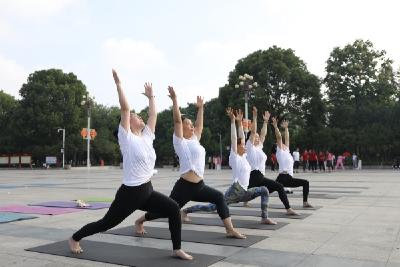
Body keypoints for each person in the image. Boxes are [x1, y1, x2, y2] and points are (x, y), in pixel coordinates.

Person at [68, 70, 193, 260]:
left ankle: (177, 248)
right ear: (127, 122)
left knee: (173, 208)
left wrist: (151, 96)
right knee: (106, 223)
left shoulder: (146, 137)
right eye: (136, 116)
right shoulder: (125, 138)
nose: (140, 117)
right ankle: (75, 237)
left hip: (147, 191)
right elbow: (125, 109)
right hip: (130, 194)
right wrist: (119, 85)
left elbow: (153, 115)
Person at [135, 86, 245, 239]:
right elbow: (177, 121)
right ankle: (140, 221)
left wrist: (201, 108)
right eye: (188, 123)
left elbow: (199, 125)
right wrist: (174, 100)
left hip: (199, 186)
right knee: (167, 210)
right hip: (184, 187)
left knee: (219, 197)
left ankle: (229, 229)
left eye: (192, 124)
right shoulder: (179, 141)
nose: (192, 126)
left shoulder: (194, 139)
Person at [182, 108, 277, 224]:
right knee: (212, 207)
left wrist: (239, 122)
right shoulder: (235, 157)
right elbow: (235, 138)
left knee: (264, 190)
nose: (245, 146)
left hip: (245, 191)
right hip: (235, 191)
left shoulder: (244, 156)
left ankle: (264, 217)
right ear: (237, 147)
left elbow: (242, 136)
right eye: (242, 145)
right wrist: (233, 122)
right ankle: (186, 211)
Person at [243, 107, 298, 215]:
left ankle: (288, 209)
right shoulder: (249, 147)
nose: (258, 138)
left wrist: (265, 121)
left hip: (260, 176)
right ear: (251, 139)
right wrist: (254, 116)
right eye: (255, 137)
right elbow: (253, 132)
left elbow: (263, 134)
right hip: (253, 176)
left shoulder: (258, 147)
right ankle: (219, 204)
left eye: (258, 138)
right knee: (237, 197)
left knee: (276, 187)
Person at [271, 117, 313, 208]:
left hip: (289, 178)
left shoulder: (287, 150)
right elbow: (279, 137)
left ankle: (305, 202)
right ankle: (247, 197)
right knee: (266, 190)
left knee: (306, 183)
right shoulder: (280, 151)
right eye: (279, 143)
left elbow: (287, 139)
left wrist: (286, 128)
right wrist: (275, 126)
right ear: (277, 147)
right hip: (282, 177)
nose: (282, 143)